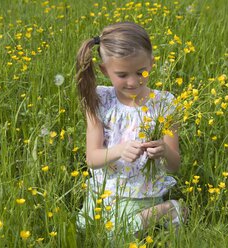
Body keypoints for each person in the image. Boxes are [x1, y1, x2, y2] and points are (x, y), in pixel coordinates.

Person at [76, 22, 185, 237]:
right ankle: (151, 218)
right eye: (122, 75)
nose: (133, 81)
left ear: (151, 64)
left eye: (140, 72)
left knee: (115, 235)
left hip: (141, 193)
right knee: (85, 230)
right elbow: (92, 158)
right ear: (105, 71)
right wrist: (119, 150)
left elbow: (174, 165)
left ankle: (168, 209)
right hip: (103, 192)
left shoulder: (165, 104)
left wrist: (164, 150)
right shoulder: (99, 100)